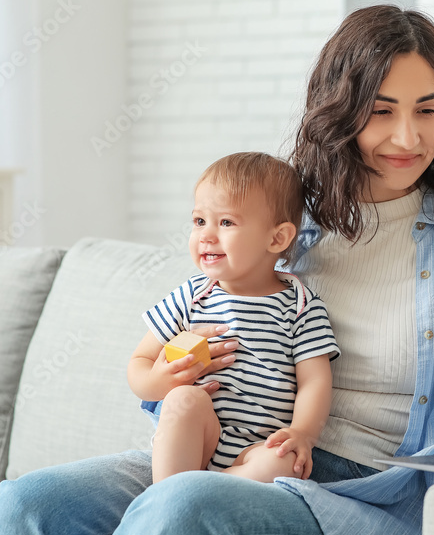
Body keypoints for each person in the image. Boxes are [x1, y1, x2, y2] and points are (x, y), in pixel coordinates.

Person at [0, 5, 434, 535]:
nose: (408, 137)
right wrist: (179, 376)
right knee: (25, 507)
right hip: (231, 449)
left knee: (181, 511)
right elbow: (204, 315)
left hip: (373, 490)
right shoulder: (283, 217)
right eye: (381, 112)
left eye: (428, 109)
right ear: (341, 113)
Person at [130, 152, 339, 484]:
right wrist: (161, 381)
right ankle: (168, 498)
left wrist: (302, 433)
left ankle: (206, 492)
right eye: (200, 221)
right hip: (198, 438)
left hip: (256, 448)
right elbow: (140, 362)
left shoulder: (301, 306)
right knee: (184, 399)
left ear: (277, 238)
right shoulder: (193, 295)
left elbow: (314, 381)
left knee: (284, 464)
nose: (206, 235)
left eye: (225, 222)